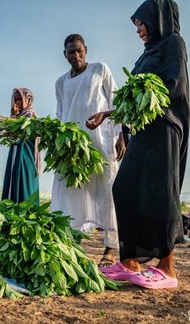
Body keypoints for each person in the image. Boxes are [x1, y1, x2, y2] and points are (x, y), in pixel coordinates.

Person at [86, 0, 189, 289]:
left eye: (141, 24)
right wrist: (109, 113)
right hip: (144, 128)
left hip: (166, 126)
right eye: (137, 26)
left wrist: (147, 97)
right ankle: (130, 262)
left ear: (157, 20)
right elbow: (133, 94)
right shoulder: (147, 54)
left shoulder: (173, 43)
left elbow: (175, 85)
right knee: (124, 187)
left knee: (161, 193)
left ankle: (168, 269)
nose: (139, 30)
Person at [51, 34, 126, 267]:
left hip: (100, 143)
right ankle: (71, 243)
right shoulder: (61, 82)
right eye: (71, 52)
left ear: (86, 50)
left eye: (79, 50)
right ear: (64, 55)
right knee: (69, 191)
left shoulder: (100, 70)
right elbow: (60, 115)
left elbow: (117, 103)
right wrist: (58, 143)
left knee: (107, 192)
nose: (76, 55)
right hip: (73, 148)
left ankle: (110, 248)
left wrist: (122, 135)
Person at [2, 88, 42, 204]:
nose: (17, 103)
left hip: (25, 155)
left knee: (24, 182)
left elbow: (24, 134)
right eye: (15, 100)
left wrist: (15, 120)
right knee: (13, 180)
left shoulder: (30, 115)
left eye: (20, 100)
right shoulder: (17, 116)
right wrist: (14, 117)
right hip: (16, 153)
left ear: (27, 100)